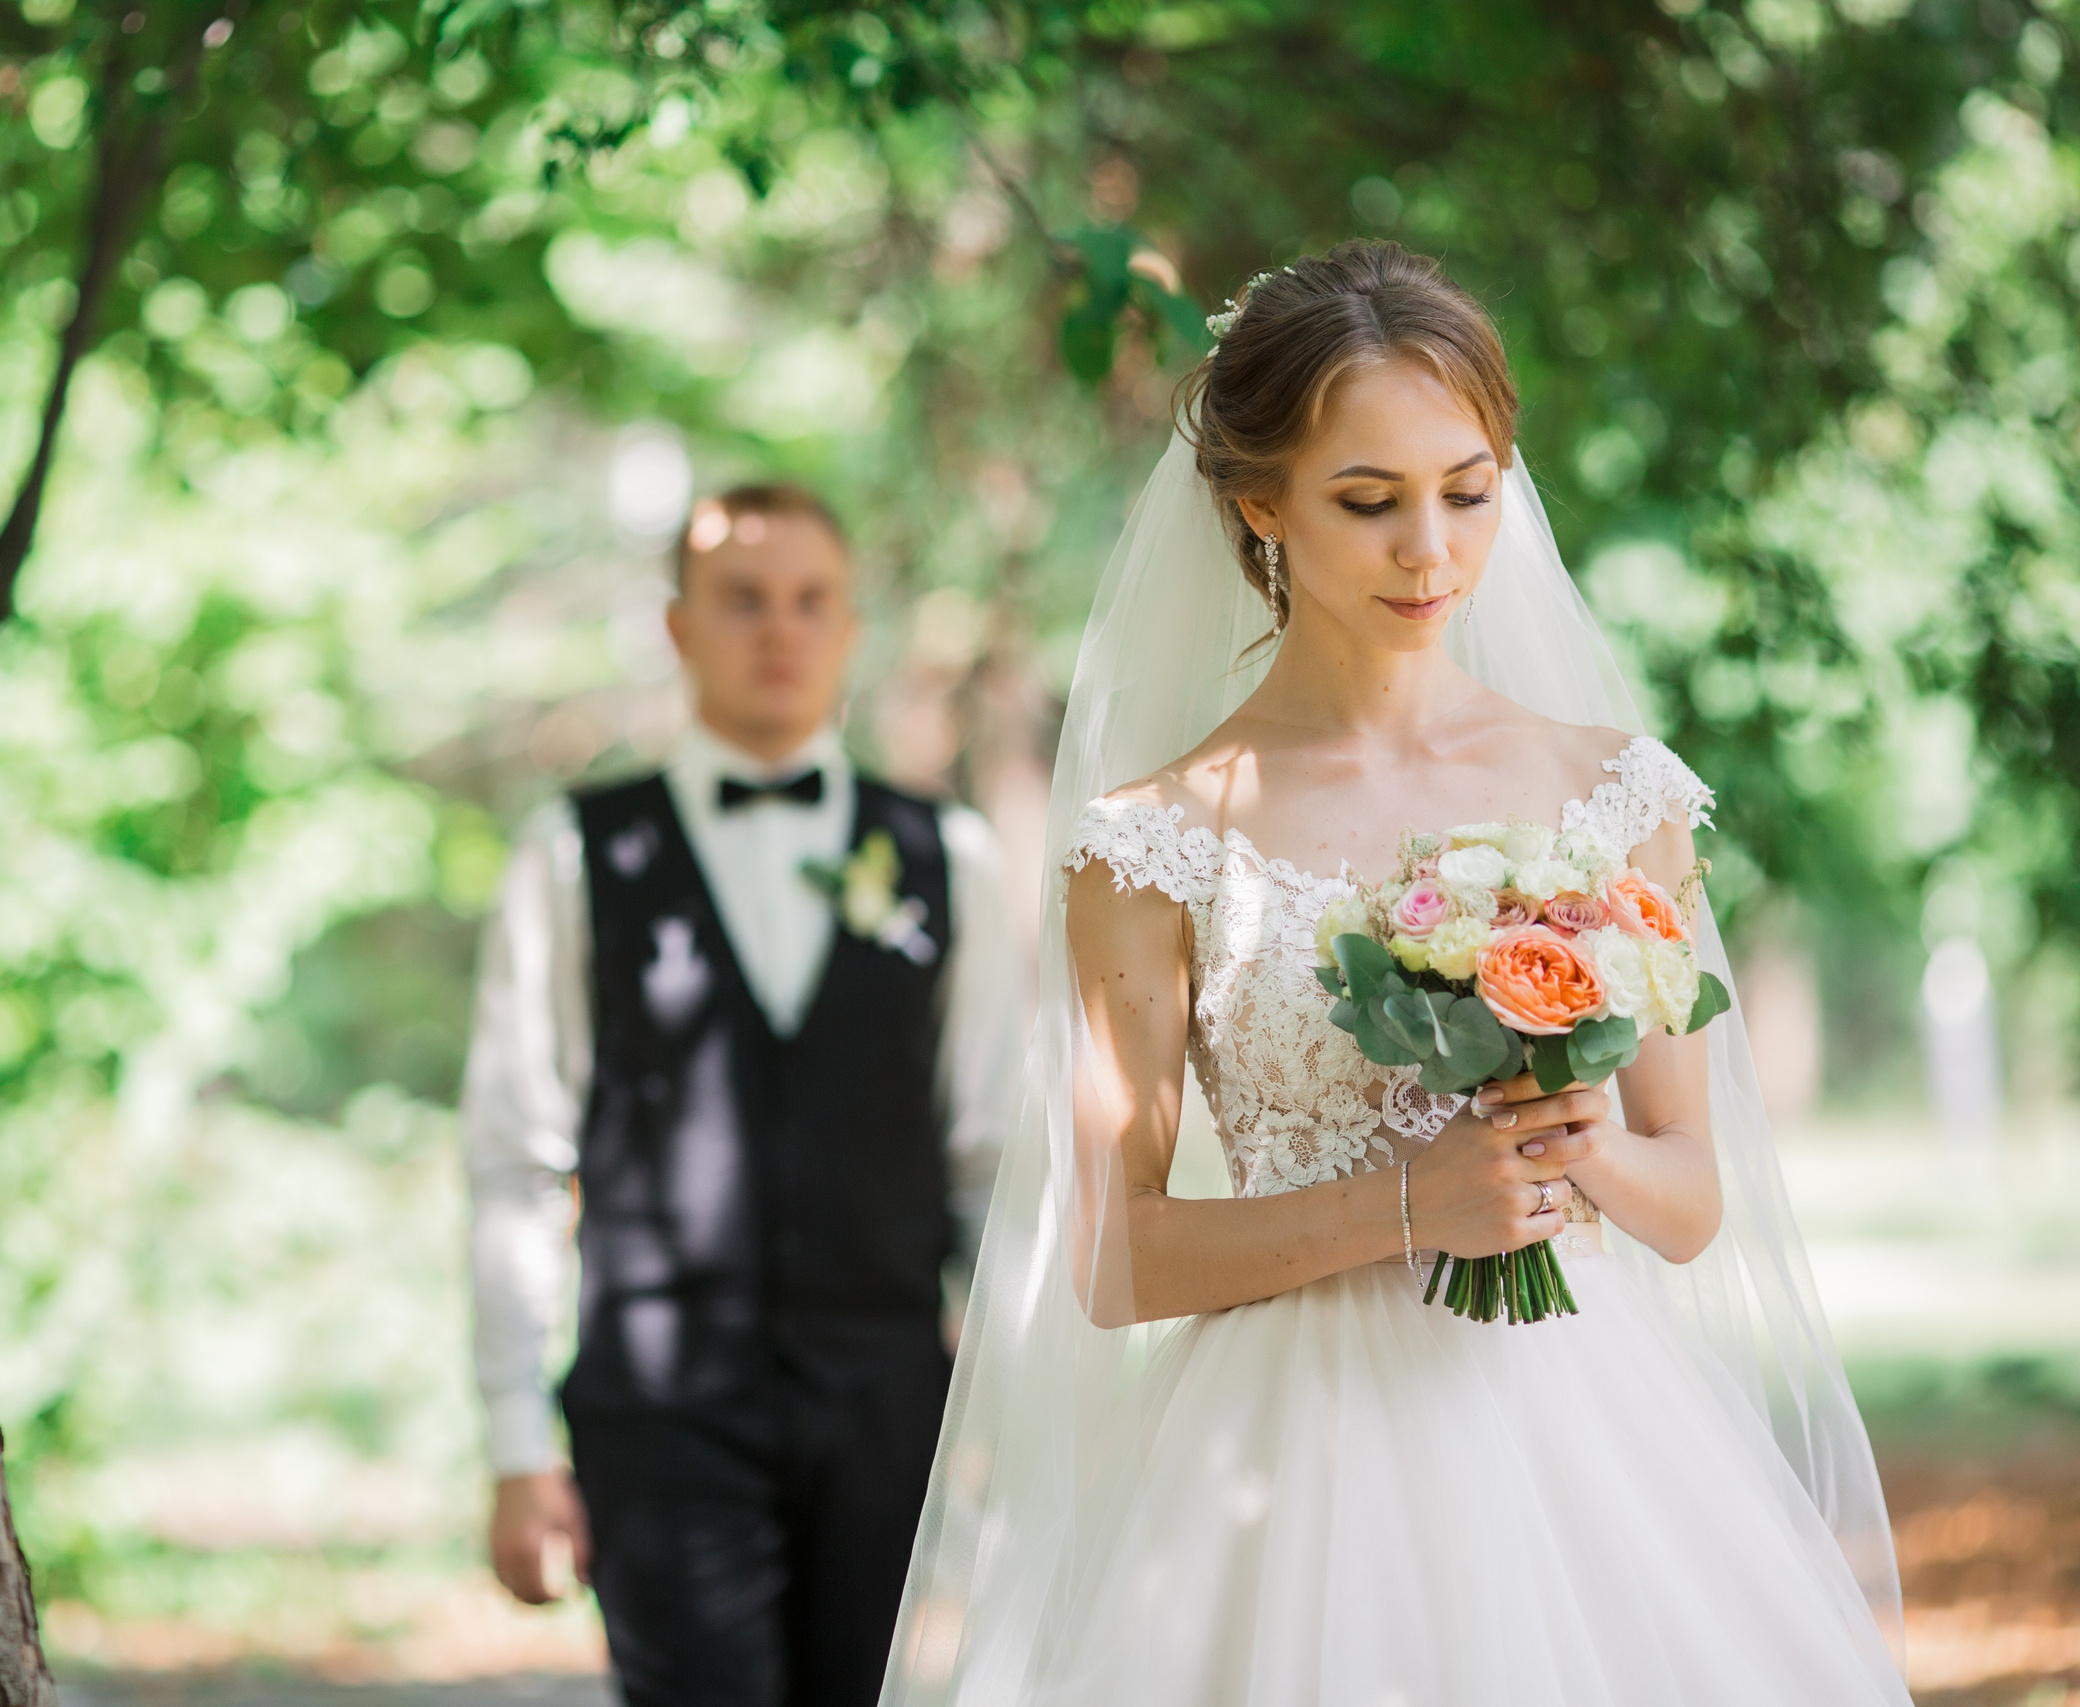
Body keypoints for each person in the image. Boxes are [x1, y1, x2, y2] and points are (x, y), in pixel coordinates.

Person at [879, 244, 1911, 1705]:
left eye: (1467, 489)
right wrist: (1411, 1203)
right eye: (1368, 502)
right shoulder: (1156, 844)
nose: (1430, 548)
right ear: (1260, 506)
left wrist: (1582, 1142)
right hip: (1286, 1463)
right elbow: (1117, 1257)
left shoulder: (1616, 794)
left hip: (1585, 1437)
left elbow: (1689, 1202)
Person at [462, 482, 1021, 1707]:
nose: (779, 630)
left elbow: (990, 1159)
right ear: (679, 627)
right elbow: (515, 1158)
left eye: (810, 601)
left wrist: (1006, 1417)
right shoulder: (573, 855)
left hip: (886, 1406)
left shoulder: (949, 858)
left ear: (850, 627)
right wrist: (516, 1446)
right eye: (742, 601)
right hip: (657, 1407)